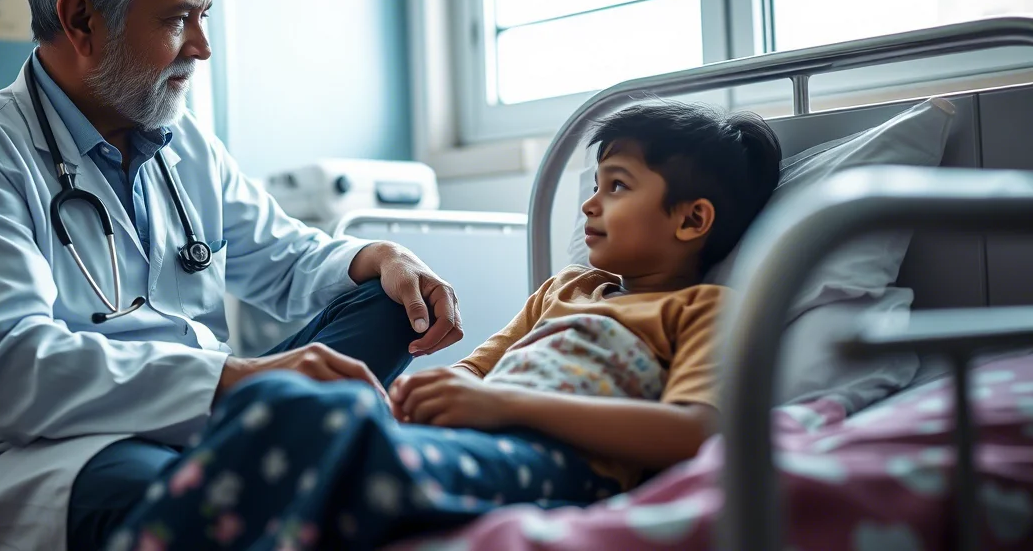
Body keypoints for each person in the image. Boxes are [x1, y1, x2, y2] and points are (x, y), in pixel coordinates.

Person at [0, 0, 463, 551]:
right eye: (179, 18)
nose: (203, 47)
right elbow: (16, 373)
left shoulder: (184, 144)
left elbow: (287, 258)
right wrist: (234, 378)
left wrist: (380, 258)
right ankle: (271, 467)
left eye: (203, 16)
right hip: (23, 457)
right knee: (152, 486)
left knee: (387, 302)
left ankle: (258, 465)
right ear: (83, 21)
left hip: (199, 422)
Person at [110, 100, 783, 550]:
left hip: (568, 470)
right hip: (477, 441)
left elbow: (696, 431)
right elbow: (474, 368)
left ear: (692, 220)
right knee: (287, 399)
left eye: (617, 186)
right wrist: (422, 398)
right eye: (596, 183)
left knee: (315, 426)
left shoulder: (703, 311)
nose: (588, 204)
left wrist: (499, 404)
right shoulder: (565, 289)